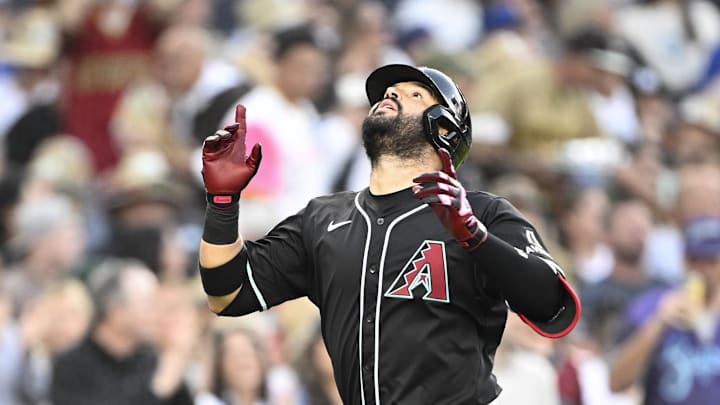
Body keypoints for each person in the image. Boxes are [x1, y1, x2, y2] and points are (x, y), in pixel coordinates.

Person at [197, 64, 581, 405]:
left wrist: (474, 236)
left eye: (414, 94)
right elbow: (227, 292)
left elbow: (554, 307)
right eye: (388, 93)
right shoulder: (322, 217)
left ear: (445, 128)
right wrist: (223, 203)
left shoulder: (481, 211)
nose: (392, 95)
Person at [609, 215, 720, 405]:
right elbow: (616, 382)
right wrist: (659, 322)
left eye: (710, 260)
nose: (702, 269)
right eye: (694, 259)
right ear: (683, 259)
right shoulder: (651, 305)